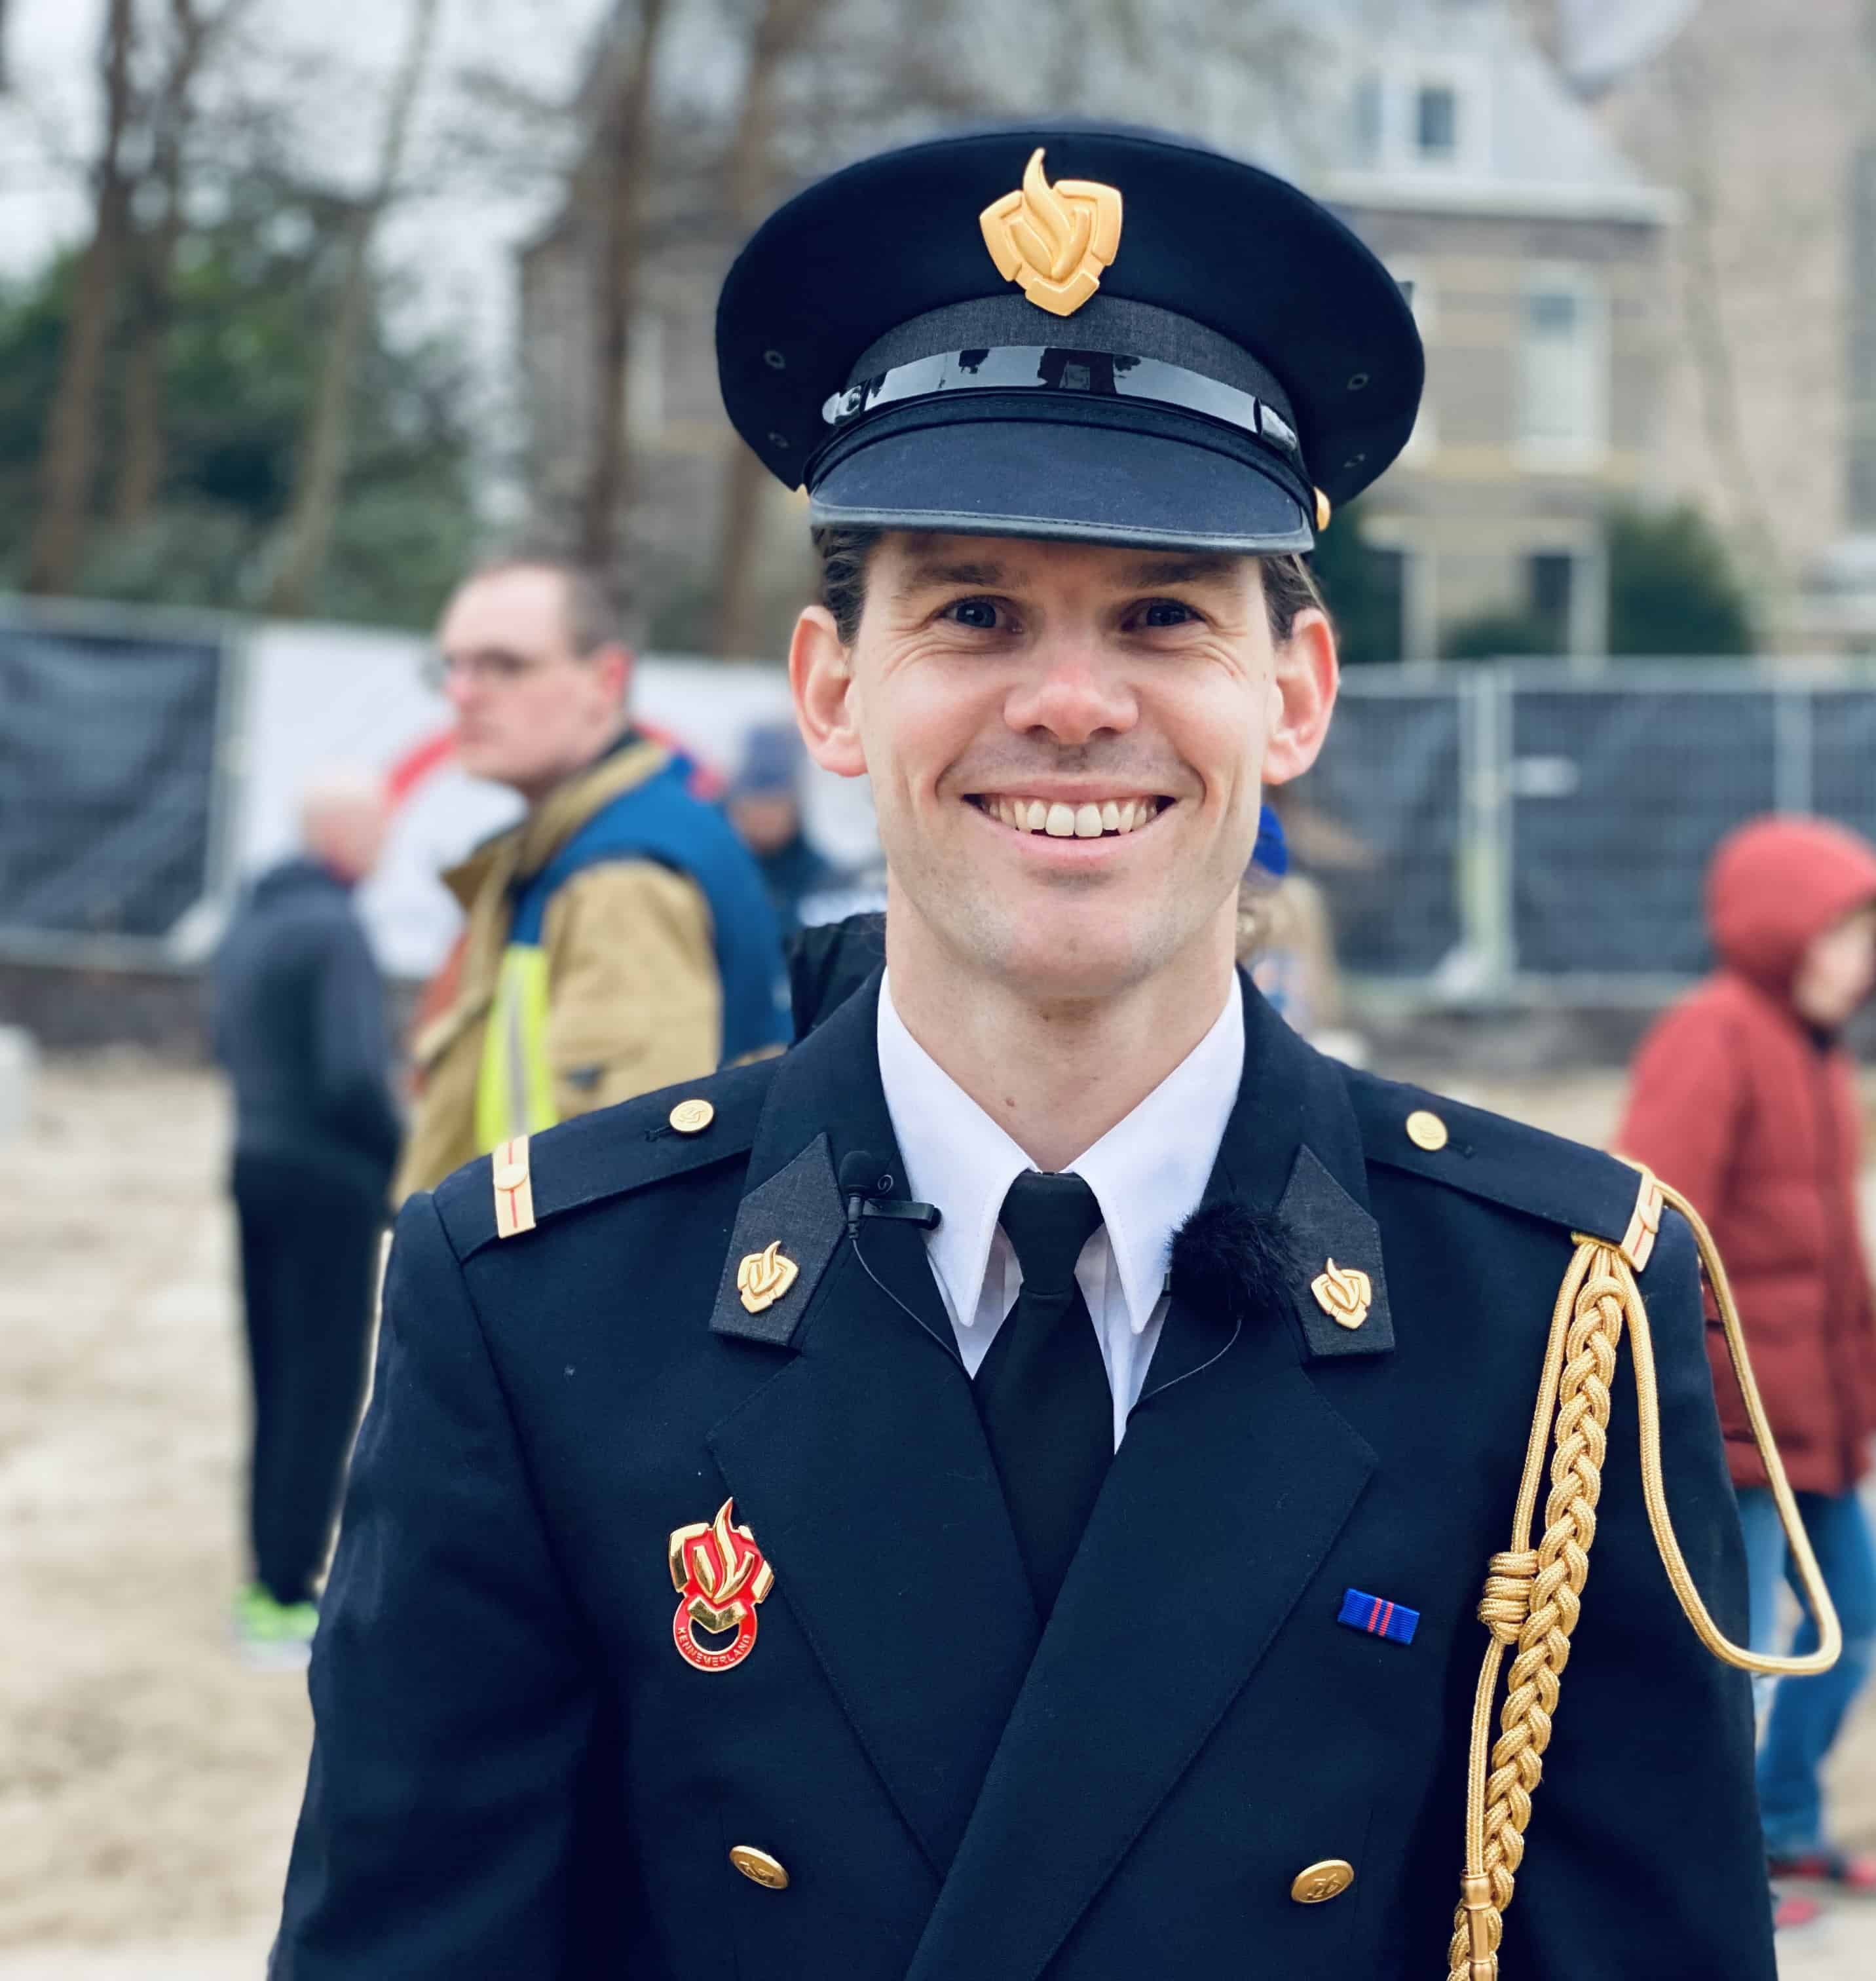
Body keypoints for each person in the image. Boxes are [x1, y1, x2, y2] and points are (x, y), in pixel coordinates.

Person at [277, 125, 1774, 1979]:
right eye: (975, 611)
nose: (1071, 704)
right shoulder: (531, 1307)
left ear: (1294, 696)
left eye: (1164, 614)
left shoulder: (1551, 1323)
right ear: (835, 687)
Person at [1615, 814, 1876, 1923]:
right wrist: (1683, 1399)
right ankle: (1714, 1874)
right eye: (1840, 936)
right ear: (1779, 929)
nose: (1860, 963)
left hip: (1812, 1424)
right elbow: (1652, 1224)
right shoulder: (1714, 1036)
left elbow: (1832, 1259)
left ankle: (1783, 1827)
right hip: (1732, 1427)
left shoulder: (1817, 1055)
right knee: (1728, 1661)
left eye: (1872, 940)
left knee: (1859, 1617)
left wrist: (1864, 1390)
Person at [391, 556, 791, 1200]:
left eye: (505, 665)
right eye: (452, 667)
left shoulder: (622, 882)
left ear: (607, 680)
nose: (462, 693)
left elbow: (639, 1191)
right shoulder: (571, 849)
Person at [206, 772, 402, 1667]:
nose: (386, 846)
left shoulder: (250, 921)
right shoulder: (335, 928)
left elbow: (222, 1043)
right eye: (377, 829)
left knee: (274, 1380)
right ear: (341, 834)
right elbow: (353, 1074)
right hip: (328, 1184)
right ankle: (286, 1595)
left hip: (254, 1164)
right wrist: (403, 1156)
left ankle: (265, 1580)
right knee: (320, 1391)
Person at [724, 721, 843, 937]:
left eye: (774, 801)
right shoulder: (715, 870)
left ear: (795, 805)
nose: (763, 813)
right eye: (754, 799)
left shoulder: (825, 880)